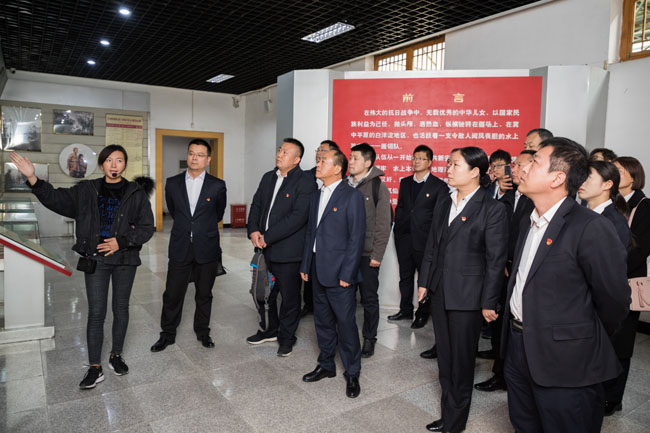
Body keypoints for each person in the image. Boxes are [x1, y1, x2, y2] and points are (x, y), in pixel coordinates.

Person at [501, 137, 630, 433]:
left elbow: (614, 301)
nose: (523, 168)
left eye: (535, 162)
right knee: (524, 423)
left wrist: (577, 336)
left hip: (565, 359)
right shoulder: (529, 220)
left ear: (558, 178)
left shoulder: (590, 226)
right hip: (519, 346)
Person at [10, 145, 155, 389]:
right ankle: (95, 367)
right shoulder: (87, 190)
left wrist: (121, 242)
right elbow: (56, 198)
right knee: (97, 313)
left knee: (121, 309)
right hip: (96, 259)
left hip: (124, 259)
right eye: (109, 160)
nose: (114, 165)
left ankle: (116, 355)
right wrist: (33, 178)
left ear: (125, 164)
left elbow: (146, 228)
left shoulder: (136, 193)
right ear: (101, 164)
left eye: (119, 160)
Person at [416, 147, 508, 432]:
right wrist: (424, 282)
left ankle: (455, 422)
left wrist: (489, 301)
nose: (448, 169)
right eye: (448, 164)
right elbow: (433, 245)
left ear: (475, 172)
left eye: (455, 165)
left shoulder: (492, 209)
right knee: (445, 358)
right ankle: (448, 412)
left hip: (469, 297)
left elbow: (495, 261)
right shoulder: (445, 202)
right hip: (440, 291)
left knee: (462, 361)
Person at [300, 148, 365, 398]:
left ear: (337, 168)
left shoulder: (351, 196)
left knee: (346, 324)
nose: (318, 164)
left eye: (323, 161)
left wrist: (347, 274)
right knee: (322, 321)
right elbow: (311, 233)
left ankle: (352, 372)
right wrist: (306, 265)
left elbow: (356, 239)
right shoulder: (316, 195)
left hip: (340, 273)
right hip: (318, 269)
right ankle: (326, 364)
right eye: (318, 161)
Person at [151, 138, 227, 352]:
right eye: (192, 153)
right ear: (188, 155)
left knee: (204, 293)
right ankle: (167, 333)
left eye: (200, 155)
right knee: (172, 292)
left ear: (208, 159)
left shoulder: (217, 185)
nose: (195, 158)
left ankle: (202, 331)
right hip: (180, 245)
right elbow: (175, 211)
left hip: (207, 246)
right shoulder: (172, 183)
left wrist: (200, 227)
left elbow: (218, 214)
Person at [245, 138, 316, 356]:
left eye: (286, 152)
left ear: (296, 159)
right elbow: (256, 204)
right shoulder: (268, 177)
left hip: (288, 252)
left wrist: (268, 236)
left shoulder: (306, 182)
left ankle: (287, 337)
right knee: (264, 293)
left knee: (289, 297)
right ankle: (270, 330)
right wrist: (253, 230)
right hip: (264, 249)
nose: (279, 154)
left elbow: (298, 217)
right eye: (279, 150)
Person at [475, 149, 536, 392]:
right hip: (502, 268)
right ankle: (500, 372)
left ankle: (508, 375)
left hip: (519, 271)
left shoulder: (535, 200)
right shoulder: (509, 195)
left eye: (519, 165)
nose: (514, 169)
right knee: (501, 324)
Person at [390, 145, 449, 334]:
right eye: (415, 158)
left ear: (430, 162)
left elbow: (439, 216)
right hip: (404, 237)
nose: (417, 161)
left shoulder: (439, 186)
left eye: (421, 158)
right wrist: (398, 227)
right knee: (405, 276)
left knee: (424, 278)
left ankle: (422, 313)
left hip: (425, 240)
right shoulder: (405, 182)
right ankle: (405, 309)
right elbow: (401, 207)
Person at [607, 156, 650, 416]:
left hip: (626, 282)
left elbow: (640, 250)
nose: (613, 173)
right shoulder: (610, 202)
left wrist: (610, 268)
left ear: (633, 177)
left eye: (619, 171)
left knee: (621, 344)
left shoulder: (644, 207)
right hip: (605, 282)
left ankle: (614, 397)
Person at [347, 142, 392, 358]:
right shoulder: (344, 185)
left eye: (355, 158)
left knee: (369, 299)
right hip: (346, 254)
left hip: (367, 254)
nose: (351, 161)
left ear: (367, 163)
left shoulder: (378, 187)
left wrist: (377, 255)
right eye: (350, 157)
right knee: (346, 298)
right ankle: (347, 336)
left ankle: (369, 338)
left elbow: (384, 224)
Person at [301, 139, 339, 318]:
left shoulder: (342, 185)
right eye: (318, 150)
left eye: (324, 151)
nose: (319, 154)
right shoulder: (307, 176)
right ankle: (309, 304)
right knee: (310, 277)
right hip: (310, 237)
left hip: (331, 247)